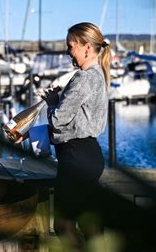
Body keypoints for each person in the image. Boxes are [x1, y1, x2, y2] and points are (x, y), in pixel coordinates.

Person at [42, 22, 110, 249]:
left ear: (87, 48)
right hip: (89, 156)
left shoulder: (83, 78)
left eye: (71, 46)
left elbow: (59, 119)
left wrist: (52, 103)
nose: (68, 51)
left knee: (63, 224)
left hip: (75, 158)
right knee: (89, 224)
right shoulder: (98, 75)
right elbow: (76, 120)